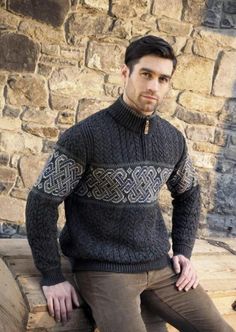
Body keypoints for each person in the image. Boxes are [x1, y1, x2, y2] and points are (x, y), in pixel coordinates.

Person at [26, 35, 234, 332]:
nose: (154, 86)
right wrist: (51, 276)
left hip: (160, 267)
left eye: (163, 79)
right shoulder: (85, 137)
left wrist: (184, 252)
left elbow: (189, 193)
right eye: (146, 74)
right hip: (103, 269)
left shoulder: (172, 139)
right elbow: (41, 202)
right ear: (126, 73)